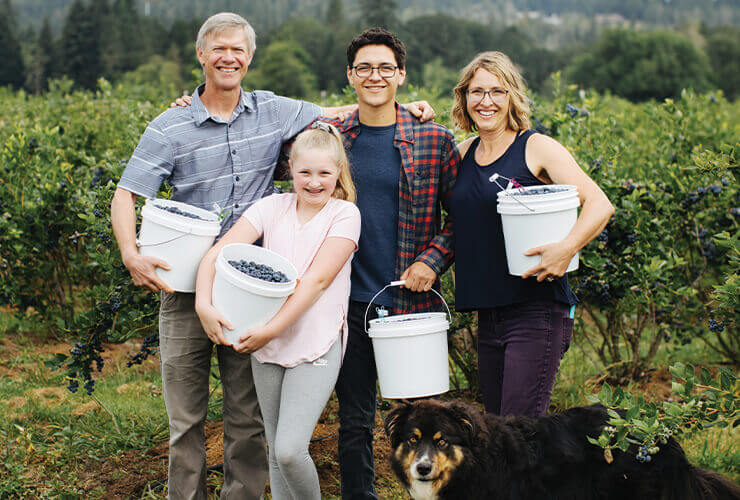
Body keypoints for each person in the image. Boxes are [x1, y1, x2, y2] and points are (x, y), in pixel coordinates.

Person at [110, 12, 372, 500]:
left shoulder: (273, 111)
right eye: (219, 49)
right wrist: (131, 253)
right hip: (184, 287)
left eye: (238, 50)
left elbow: (334, 116)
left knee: (248, 419)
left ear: (249, 58)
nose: (229, 57)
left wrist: (405, 105)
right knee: (185, 421)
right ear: (202, 55)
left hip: (253, 293)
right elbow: (127, 193)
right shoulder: (170, 126)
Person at [313, 28, 461, 499]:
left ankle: (433, 493)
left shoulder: (434, 138)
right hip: (348, 301)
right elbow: (277, 156)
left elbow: (461, 217)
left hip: (410, 302)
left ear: (401, 75)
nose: (374, 76)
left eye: (384, 68)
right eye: (364, 68)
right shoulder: (331, 140)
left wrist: (432, 262)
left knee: (426, 418)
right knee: (355, 418)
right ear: (349, 76)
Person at [194, 123, 360, 500]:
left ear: (338, 173)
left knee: (289, 450)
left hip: (314, 341)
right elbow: (218, 253)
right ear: (290, 170)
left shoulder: (345, 215)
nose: (314, 182)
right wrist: (204, 303)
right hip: (265, 343)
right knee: (275, 451)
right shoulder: (271, 208)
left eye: (324, 173)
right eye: (305, 173)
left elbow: (315, 283)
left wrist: (270, 330)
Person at [448, 51, 614, 417]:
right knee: (497, 433)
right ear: (464, 98)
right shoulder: (462, 154)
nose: (486, 101)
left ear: (512, 97)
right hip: (489, 313)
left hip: (536, 309)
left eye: (497, 91)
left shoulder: (535, 147)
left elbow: (599, 204)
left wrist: (566, 249)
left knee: (518, 433)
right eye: (476, 92)